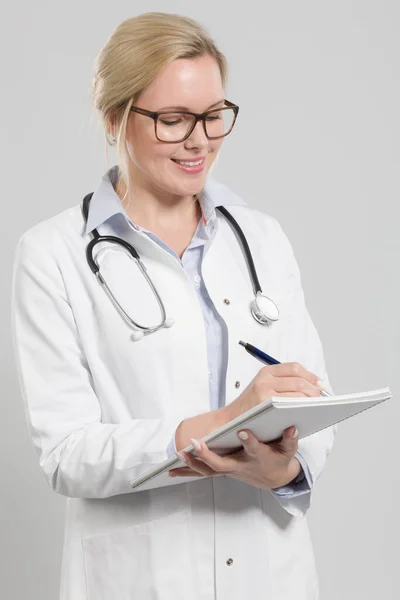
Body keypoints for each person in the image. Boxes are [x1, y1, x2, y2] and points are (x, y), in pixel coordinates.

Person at [11, 11, 336, 600]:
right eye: (173, 120)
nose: (200, 140)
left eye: (214, 116)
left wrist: (285, 469)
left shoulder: (262, 239)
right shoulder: (52, 254)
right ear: (115, 119)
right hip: (140, 577)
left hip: (272, 574)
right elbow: (66, 454)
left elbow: (312, 402)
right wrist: (216, 426)